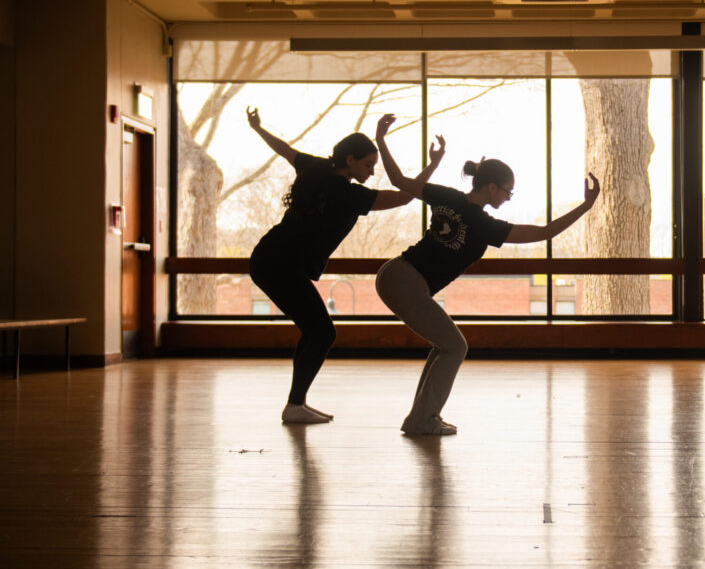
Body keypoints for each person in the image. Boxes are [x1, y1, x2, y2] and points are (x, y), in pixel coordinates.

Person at [374, 114, 600, 436]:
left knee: (446, 346)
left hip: (395, 274)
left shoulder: (449, 197)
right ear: (492, 187)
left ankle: (421, 418)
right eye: (507, 192)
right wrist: (585, 207)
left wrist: (382, 140)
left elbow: (398, 181)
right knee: (456, 347)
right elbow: (546, 232)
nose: (507, 198)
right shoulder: (484, 226)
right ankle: (422, 420)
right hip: (406, 281)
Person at [247, 108, 445, 424]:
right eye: (368, 165)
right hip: (278, 264)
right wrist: (433, 165)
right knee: (322, 332)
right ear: (350, 159)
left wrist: (258, 128)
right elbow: (405, 198)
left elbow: (284, 149)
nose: (371, 171)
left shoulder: (315, 167)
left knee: (315, 331)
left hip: (269, 258)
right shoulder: (351, 195)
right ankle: (295, 405)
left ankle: (296, 404)